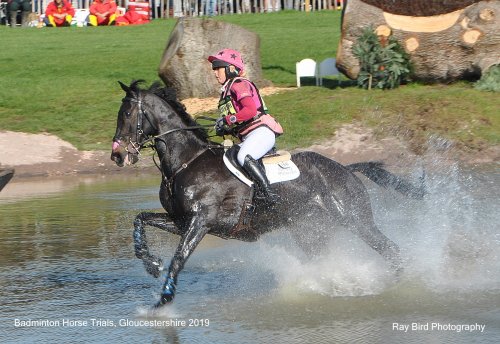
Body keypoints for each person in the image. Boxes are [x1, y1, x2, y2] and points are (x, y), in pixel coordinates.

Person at [208, 48, 284, 202]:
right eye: (214, 69)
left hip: (262, 133)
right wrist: (223, 127)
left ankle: (269, 194)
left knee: (243, 156)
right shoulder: (226, 91)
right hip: (249, 136)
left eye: (218, 68)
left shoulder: (239, 84)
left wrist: (228, 120)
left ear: (230, 69)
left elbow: (249, 111)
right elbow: (237, 119)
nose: (215, 73)